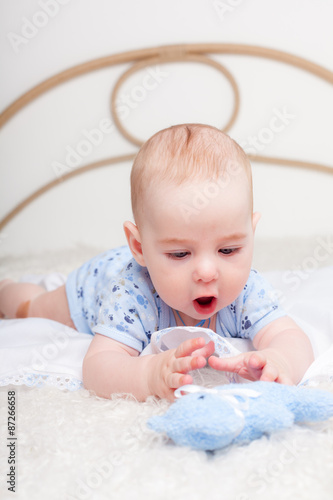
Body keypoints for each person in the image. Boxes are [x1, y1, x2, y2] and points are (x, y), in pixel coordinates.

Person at [0, 124, 314, 401]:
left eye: (229, 250)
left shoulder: (247, 289)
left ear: (251, 233)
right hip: (92, 285)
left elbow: (289, 337)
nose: (207, 272)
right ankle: (8, 289)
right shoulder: (132, 295)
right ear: (139, 246)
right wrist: (148, 375)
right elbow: (98, 367)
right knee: (33, 307)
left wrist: (280, 360)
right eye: (180, 254)